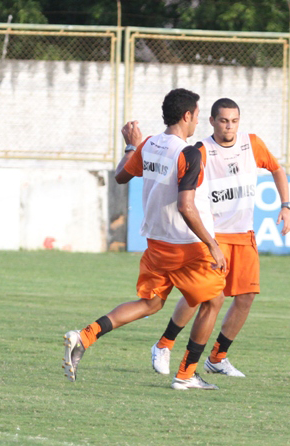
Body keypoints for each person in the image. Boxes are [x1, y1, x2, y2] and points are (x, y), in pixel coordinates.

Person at [63, 88, 228, 390]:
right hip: (187, 246)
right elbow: (186, 206)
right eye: (197, 116)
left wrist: (130, 146)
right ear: (187, 115)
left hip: (156, 243)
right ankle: (187, 374)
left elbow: (121, 176)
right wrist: (213, 245)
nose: (197, 124)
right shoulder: (187, 153)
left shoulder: (149, 144)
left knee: (150, 303)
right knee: (214, 300)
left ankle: (84, 336)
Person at [149, 98, 290, 378]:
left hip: (244, 235)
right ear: (212, 121)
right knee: (206, 298)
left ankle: (217, 357)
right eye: (224, 120)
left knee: (246, 297)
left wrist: (285, 206)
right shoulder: (200, 150)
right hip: (214, 237)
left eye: (234, 121)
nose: (229, 126)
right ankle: (164, 345)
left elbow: (276, 169)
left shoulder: (252, 144)